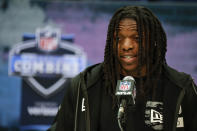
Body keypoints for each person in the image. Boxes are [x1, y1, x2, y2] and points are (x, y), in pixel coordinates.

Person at [49, 6, 197, 131]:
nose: (126, 46)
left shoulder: (181, 89)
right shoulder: (85, 86)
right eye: (119, 38)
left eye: (137, 38)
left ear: (154, 42)